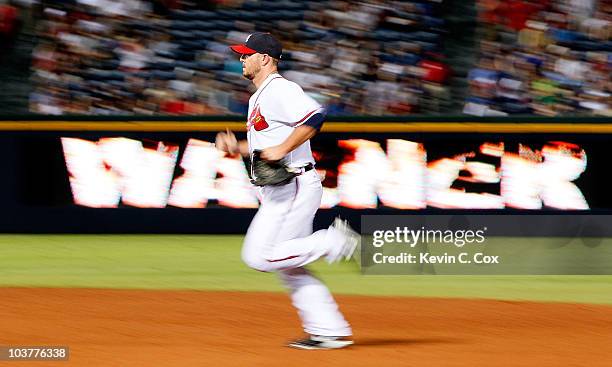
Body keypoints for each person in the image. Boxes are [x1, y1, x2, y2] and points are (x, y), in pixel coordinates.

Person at [215, 32, 358, 350]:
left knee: (259, 256)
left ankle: (331, 240)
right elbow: (268, 147)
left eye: (247, 54)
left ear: (264, 58)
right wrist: (236, 147)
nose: (241, 59)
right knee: (291, 267)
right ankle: (328, 330)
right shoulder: (258, 97)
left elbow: (315, 117)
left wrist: (282, 148)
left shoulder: (280, 89)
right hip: (282, 187)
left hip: (292, 185)